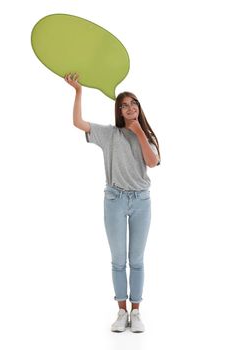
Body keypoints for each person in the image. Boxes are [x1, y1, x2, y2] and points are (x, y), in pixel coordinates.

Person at [64, 73, 161, 333]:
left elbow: (152, 162)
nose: (130, 108)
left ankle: (136, 311)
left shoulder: (148, 136)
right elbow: (78, 123)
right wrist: (78, 93)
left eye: (134, 104)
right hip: (115, 200)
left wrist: (139, 131)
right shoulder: (109, 134)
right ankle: (121, 311)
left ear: (139, 108)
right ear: (119, 110)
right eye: (124, 105)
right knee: (118, 260)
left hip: (141, 201)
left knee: (136, 259)